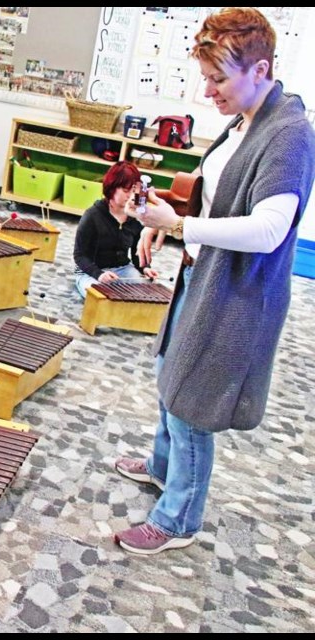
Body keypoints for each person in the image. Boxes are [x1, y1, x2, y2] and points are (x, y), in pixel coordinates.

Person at [114, 7, 315, 555]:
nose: (209, 92)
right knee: (168, 375)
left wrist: (179, 225)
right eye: (206, 77)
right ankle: (161, 467)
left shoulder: (289, 133)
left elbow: (270, 229)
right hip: (199, 280)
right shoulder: (244, 119)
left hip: (236, 298)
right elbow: (215, 194)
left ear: (261, 69)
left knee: (191, 404)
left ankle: (178, 518)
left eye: (218, 79)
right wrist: (167, 219)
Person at [72, 161, 159, 298]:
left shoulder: (135, 217)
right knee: (99, 297)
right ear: (112, 189)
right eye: (125, 191)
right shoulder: (92, 216)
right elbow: (79, 255)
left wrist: (145, 267)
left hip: (122, 269)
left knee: (144, 293)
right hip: (91, 271)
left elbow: (136, 251)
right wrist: (99, 275)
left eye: (133, 191)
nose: (131, 196)